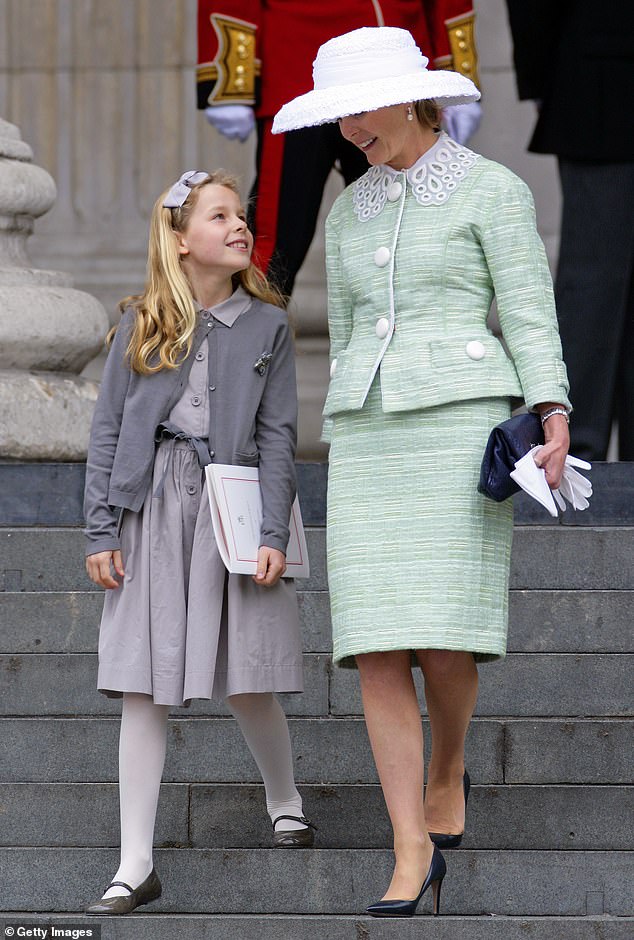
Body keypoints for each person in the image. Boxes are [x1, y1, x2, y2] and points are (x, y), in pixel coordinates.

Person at [273, 27, 571, 916]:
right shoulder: (347, 208)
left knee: (442, 638)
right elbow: (356, 327)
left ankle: (448, 766)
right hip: (367, 436)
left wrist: (552, 413)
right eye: (337, 118)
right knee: (374, 649)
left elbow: (528, 311)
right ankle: (410, 847)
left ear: (407, 96)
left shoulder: (493, 189)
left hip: (459, 425)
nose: (349, 132)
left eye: (358, 111)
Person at [82, 169, 315, 916]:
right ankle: (134, 862)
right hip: (152, 511)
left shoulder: (267, 327)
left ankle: (284, 797)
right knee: (144, 686)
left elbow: (279, 437)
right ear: (182, 242)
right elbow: (108, 432)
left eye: (242, 215)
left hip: (235, 509)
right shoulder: (142, 321)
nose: (240, 226)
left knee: (248, 674)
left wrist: (273, 531)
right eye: (221, 216)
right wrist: (101, 528)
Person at [197, 1, 482, 296]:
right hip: (298, 64)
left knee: (408, 224)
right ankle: (249, 334)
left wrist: (459, 69)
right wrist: (232, 76)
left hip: (398, 77)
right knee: (278, 238)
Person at [506, 0, 634, 461]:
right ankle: (570, 444)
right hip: (602, 87)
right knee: (593, 280)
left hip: (600, 78)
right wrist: (545, 77)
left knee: (601, 281)